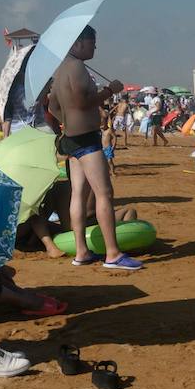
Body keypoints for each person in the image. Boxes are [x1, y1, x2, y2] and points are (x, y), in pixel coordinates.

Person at [48, 25, 140, 270]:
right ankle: (112, 254)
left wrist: (66, 121)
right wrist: (110, 91)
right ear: (78, 42)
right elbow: (81, 101)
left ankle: (81, 251)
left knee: (79, 194)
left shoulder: (60, 69)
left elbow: (53, 106)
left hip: (71, 138)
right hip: (86, 139)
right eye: (92, 43)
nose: (94, 47)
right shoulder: (77, 67)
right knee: (104, 193)